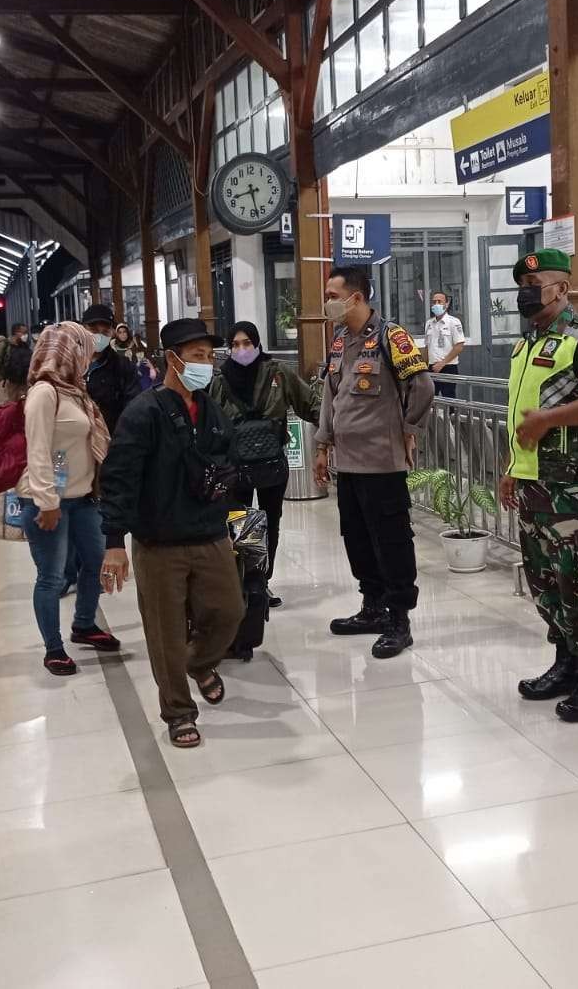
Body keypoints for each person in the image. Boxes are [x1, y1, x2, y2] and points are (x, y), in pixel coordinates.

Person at [99, 318, 244, 749]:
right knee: (164, 633)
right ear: (172, 359)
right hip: (159, 542)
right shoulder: (143, 413)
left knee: (229, 612)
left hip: (210, 533)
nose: (207, 364)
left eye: (209, 356)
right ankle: (179, 712)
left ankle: (200, 663)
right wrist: (114, 543)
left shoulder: (211, 409)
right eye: (198, 356)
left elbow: (227, 462)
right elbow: (119, 478)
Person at [499, 249, 578, 723]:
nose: (526, 293)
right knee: (546, 578)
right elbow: (521, 416)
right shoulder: (526, 344)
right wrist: (514, 466)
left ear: (562, 289)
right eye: (522, 286)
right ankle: (566, 663)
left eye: (536, 285)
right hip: (535, 481)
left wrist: (549, 420)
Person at [312, 266, 435, 658]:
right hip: (347, 463)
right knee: (358, 539)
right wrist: (321, 445)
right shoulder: (339, 341)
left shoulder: (390, 336)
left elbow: (423, 385)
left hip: (382, 463)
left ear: (357, 297)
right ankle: (372, 608)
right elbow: (331, 396)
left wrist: (409, 428)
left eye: (333, 295)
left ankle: (399, 620)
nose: (328, 302)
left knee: (392, 542)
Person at [16, 325, 119, 676]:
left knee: (95, 562)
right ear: (67, 352)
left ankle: (84, 624)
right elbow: (38, 451)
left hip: (84, 498)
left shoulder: (76, 391)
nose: (89, 357)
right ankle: (53, 648)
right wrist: (47, 502)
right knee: (51, 577)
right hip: (50, 504)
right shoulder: (44, 393)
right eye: (85, 350)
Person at [210, 321, 320, 592]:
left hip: (272, 463)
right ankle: (249, 582)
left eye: (247, 343)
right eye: (235, 344)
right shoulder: (220, 381)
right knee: (242, 521)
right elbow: (210, 424)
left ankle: (263, 581)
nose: (242, 349)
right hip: (236, 467)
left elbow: (310, 404)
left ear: (258, 344)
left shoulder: (278, 373)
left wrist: (331, 433)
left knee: (271, 520)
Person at [80, 304, 141, 432]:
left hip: (112, 437)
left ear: (112, 333)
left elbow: (133, 407)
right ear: (82, 330)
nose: (99, 336)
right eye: (93, 330)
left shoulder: (123, 366)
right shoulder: (69, 364)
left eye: (105, 331)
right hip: (77, 439)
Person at [423, 291, 467, 397]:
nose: (436, 304)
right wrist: (424, 366)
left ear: (446, 304)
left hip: (448, 367)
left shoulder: (454, 322)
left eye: (439, 301)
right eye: (434, 302)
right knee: (431, 399)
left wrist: (442, 363)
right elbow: (427, 347)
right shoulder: (429, 323)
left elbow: (459, 346)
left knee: (449, 398)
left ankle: (451, 414)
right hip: (432, 367)